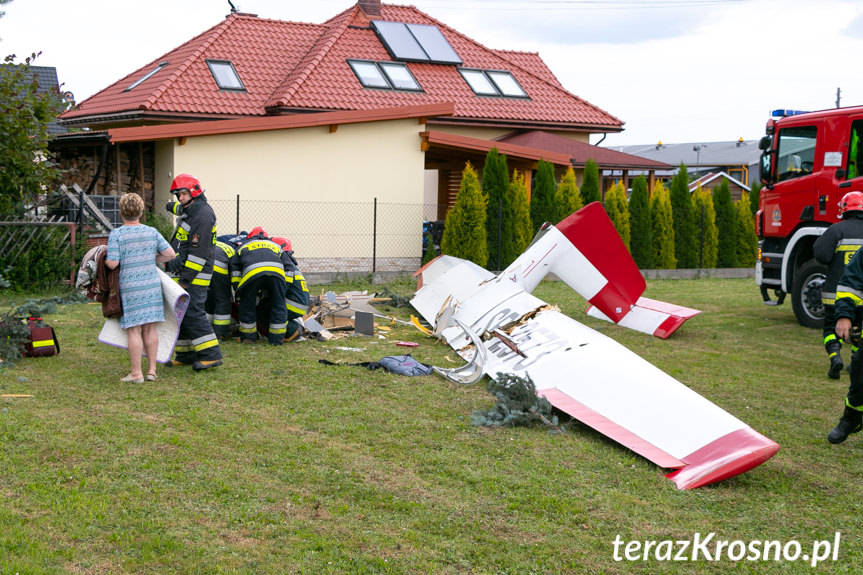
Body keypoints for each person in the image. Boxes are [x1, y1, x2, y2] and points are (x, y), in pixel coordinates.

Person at [104, 193, 176, 383]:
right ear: (141, 212)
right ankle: (152, 371)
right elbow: (170, 253)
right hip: (151, 285)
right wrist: (152, 259)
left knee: (134, 330)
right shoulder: (152, 232)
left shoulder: (117, 234)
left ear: (121, 213)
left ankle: (136, 373)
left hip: (130, 286)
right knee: (150, 329)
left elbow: (112, 263)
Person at [164, 173, 223, 370]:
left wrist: (186, 279)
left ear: (194, 192)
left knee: (192, 311)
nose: (180, 198)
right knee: (180, 312)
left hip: (195, 274)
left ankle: (211, 354)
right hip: (185, 270)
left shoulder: (203, 215)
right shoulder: (191, 208)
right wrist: (167, 205)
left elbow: (199, 253)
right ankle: (186, 353)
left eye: (182, 193)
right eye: (177, 195)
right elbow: (177, 208)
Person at [814, 191, 863, 379]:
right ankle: (856, 362)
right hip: (861, 296)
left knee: (830, 328)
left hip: (835, 294)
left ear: (844, 209)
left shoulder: (836, 230)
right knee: (859, 329)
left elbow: (821, 255)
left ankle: (835, 356)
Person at [230, 229, 288, 345]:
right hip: (276, 274)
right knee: (278, 304)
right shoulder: (275, 246)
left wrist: (238, 288)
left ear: (250, 237)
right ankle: (277, 339)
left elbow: (234, 268)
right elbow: (289, 266)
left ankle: (248, 338)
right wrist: (283, 289)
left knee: (247, 304)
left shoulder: (243, 246)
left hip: (252, 274)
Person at [272, 236, 310, 342]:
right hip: (299, 304)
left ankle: (292, 330)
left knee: (264, 310)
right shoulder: (290, 263)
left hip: (293, 304)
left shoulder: (282, 264)